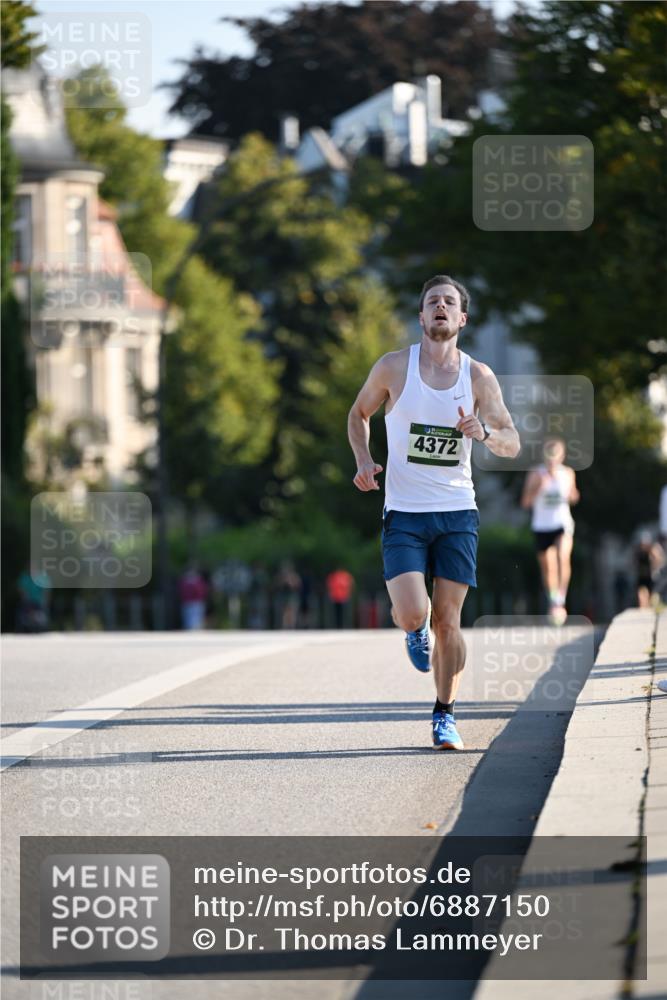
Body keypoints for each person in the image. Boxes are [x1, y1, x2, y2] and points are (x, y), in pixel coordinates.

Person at [348, 275, 520, 751]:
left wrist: (481, 432)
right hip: (404, 512)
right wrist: (364, 460)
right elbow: (358, 414)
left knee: (450, 621)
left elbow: (511, 441)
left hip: (457, 513)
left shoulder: (478, 376)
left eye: (449, 302)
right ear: (421, 317)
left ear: (462, 318)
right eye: (431, 302)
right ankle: (413, 629)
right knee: (412, 613)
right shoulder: (392, 368)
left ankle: (444, 714)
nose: (440, 307)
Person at [521, 438, 579, 625]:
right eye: (549, 457)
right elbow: (525, 503)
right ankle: (553, 599)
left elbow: (574, 496)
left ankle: (561, 597)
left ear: (561, 456)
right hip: (541, 525)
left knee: (563, 557)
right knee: (548, 566)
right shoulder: (535, 474)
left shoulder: (568, 473)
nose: (552, 461)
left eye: (556, 457)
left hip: (562, 524)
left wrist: (572, 494)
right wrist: (539, 487)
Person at [634, 531, 664, 609]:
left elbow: (659, 559)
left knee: (651, 594)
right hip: (641, 575)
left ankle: (647, 606)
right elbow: (632, 562)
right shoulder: (638, 552)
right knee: (642, 592)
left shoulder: (652, 551)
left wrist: (654, 566)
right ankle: (643, 606)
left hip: (649, 575)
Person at [178, 564, 209, 630]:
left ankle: (196, 631)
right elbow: (182, 592)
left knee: (197, 620)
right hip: (188, 603)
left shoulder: (198, 581)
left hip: (197, 603)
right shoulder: (185, 582)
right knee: (188, 620)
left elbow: (202, 592)